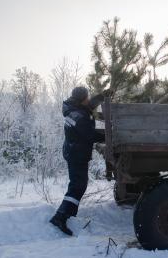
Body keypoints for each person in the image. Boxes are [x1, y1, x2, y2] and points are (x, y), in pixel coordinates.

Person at [50, 87, 105, 235]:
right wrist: (109, 135)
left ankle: (66, 215)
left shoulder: (73, 109)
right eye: (87, 97)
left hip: (74, 151)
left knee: (78, 185)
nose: (88, 100)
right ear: (82, 99)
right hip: (77, 154)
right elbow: (91, 134)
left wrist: (99, 98)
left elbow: (87, 107)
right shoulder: (78, 116)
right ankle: (60, 216)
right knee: (78, 186)